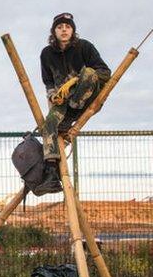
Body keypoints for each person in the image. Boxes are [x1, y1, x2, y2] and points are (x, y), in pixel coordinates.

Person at [33, 12, 111, 193]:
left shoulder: (84, 47)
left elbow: (105, 72)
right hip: (64, 103)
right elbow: (48, 81)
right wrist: (53, 96)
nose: (64, 30)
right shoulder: (46, 54)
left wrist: (75, 80)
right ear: (54, 32)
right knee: (50, 123)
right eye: (60, 27)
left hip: (85, 97)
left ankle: (71, 113)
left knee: (90, 73)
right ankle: (51, 173)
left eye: (67, 27)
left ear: (73, 30)